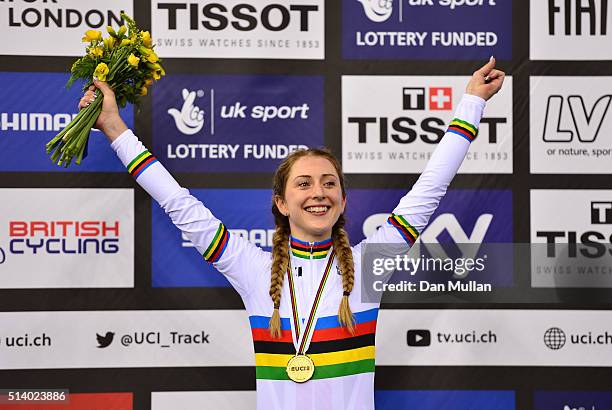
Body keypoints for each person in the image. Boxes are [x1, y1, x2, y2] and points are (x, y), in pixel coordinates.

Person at [80, 58, 504, 410]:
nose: (318, 193)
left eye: (329, 183)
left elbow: (429, 190)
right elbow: (180, 205)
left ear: (342, 199)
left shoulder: (370, 263)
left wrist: (471, 103)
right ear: (281, 203)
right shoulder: (254, 269)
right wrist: (116, 129)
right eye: (303, 184)